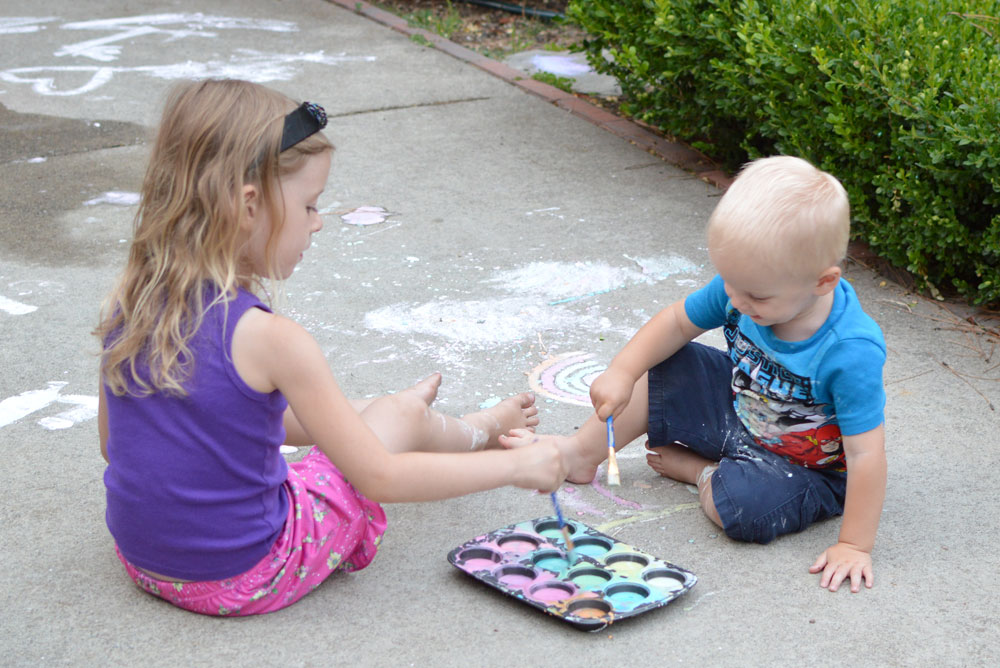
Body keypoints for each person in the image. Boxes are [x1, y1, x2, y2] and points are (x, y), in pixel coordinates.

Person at [95, 79, 567, 616]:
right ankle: (476, 433)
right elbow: (379, 477)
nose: (317, 223)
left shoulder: (128, 305)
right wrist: (518, 469)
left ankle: (413, 419)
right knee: (393, 419)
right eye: (309, 206)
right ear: (249, 205)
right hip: (249, 574)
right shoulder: (272, 339)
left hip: (145, 564)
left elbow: (119, 446)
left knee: (364, 418)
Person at [502, 156, 887, 594]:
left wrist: (855, 544)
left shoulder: (850, 351)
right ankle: (579, 452)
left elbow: (865, 455)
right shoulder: (743, 285)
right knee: (666, 364)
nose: (737, 301)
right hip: (742, 407)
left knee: (741, 511)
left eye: (755, 295)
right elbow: (675, 323)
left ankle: (703, 472)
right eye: (729, 283)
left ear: (823, 282)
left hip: (804, 467)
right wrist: (622, 372)